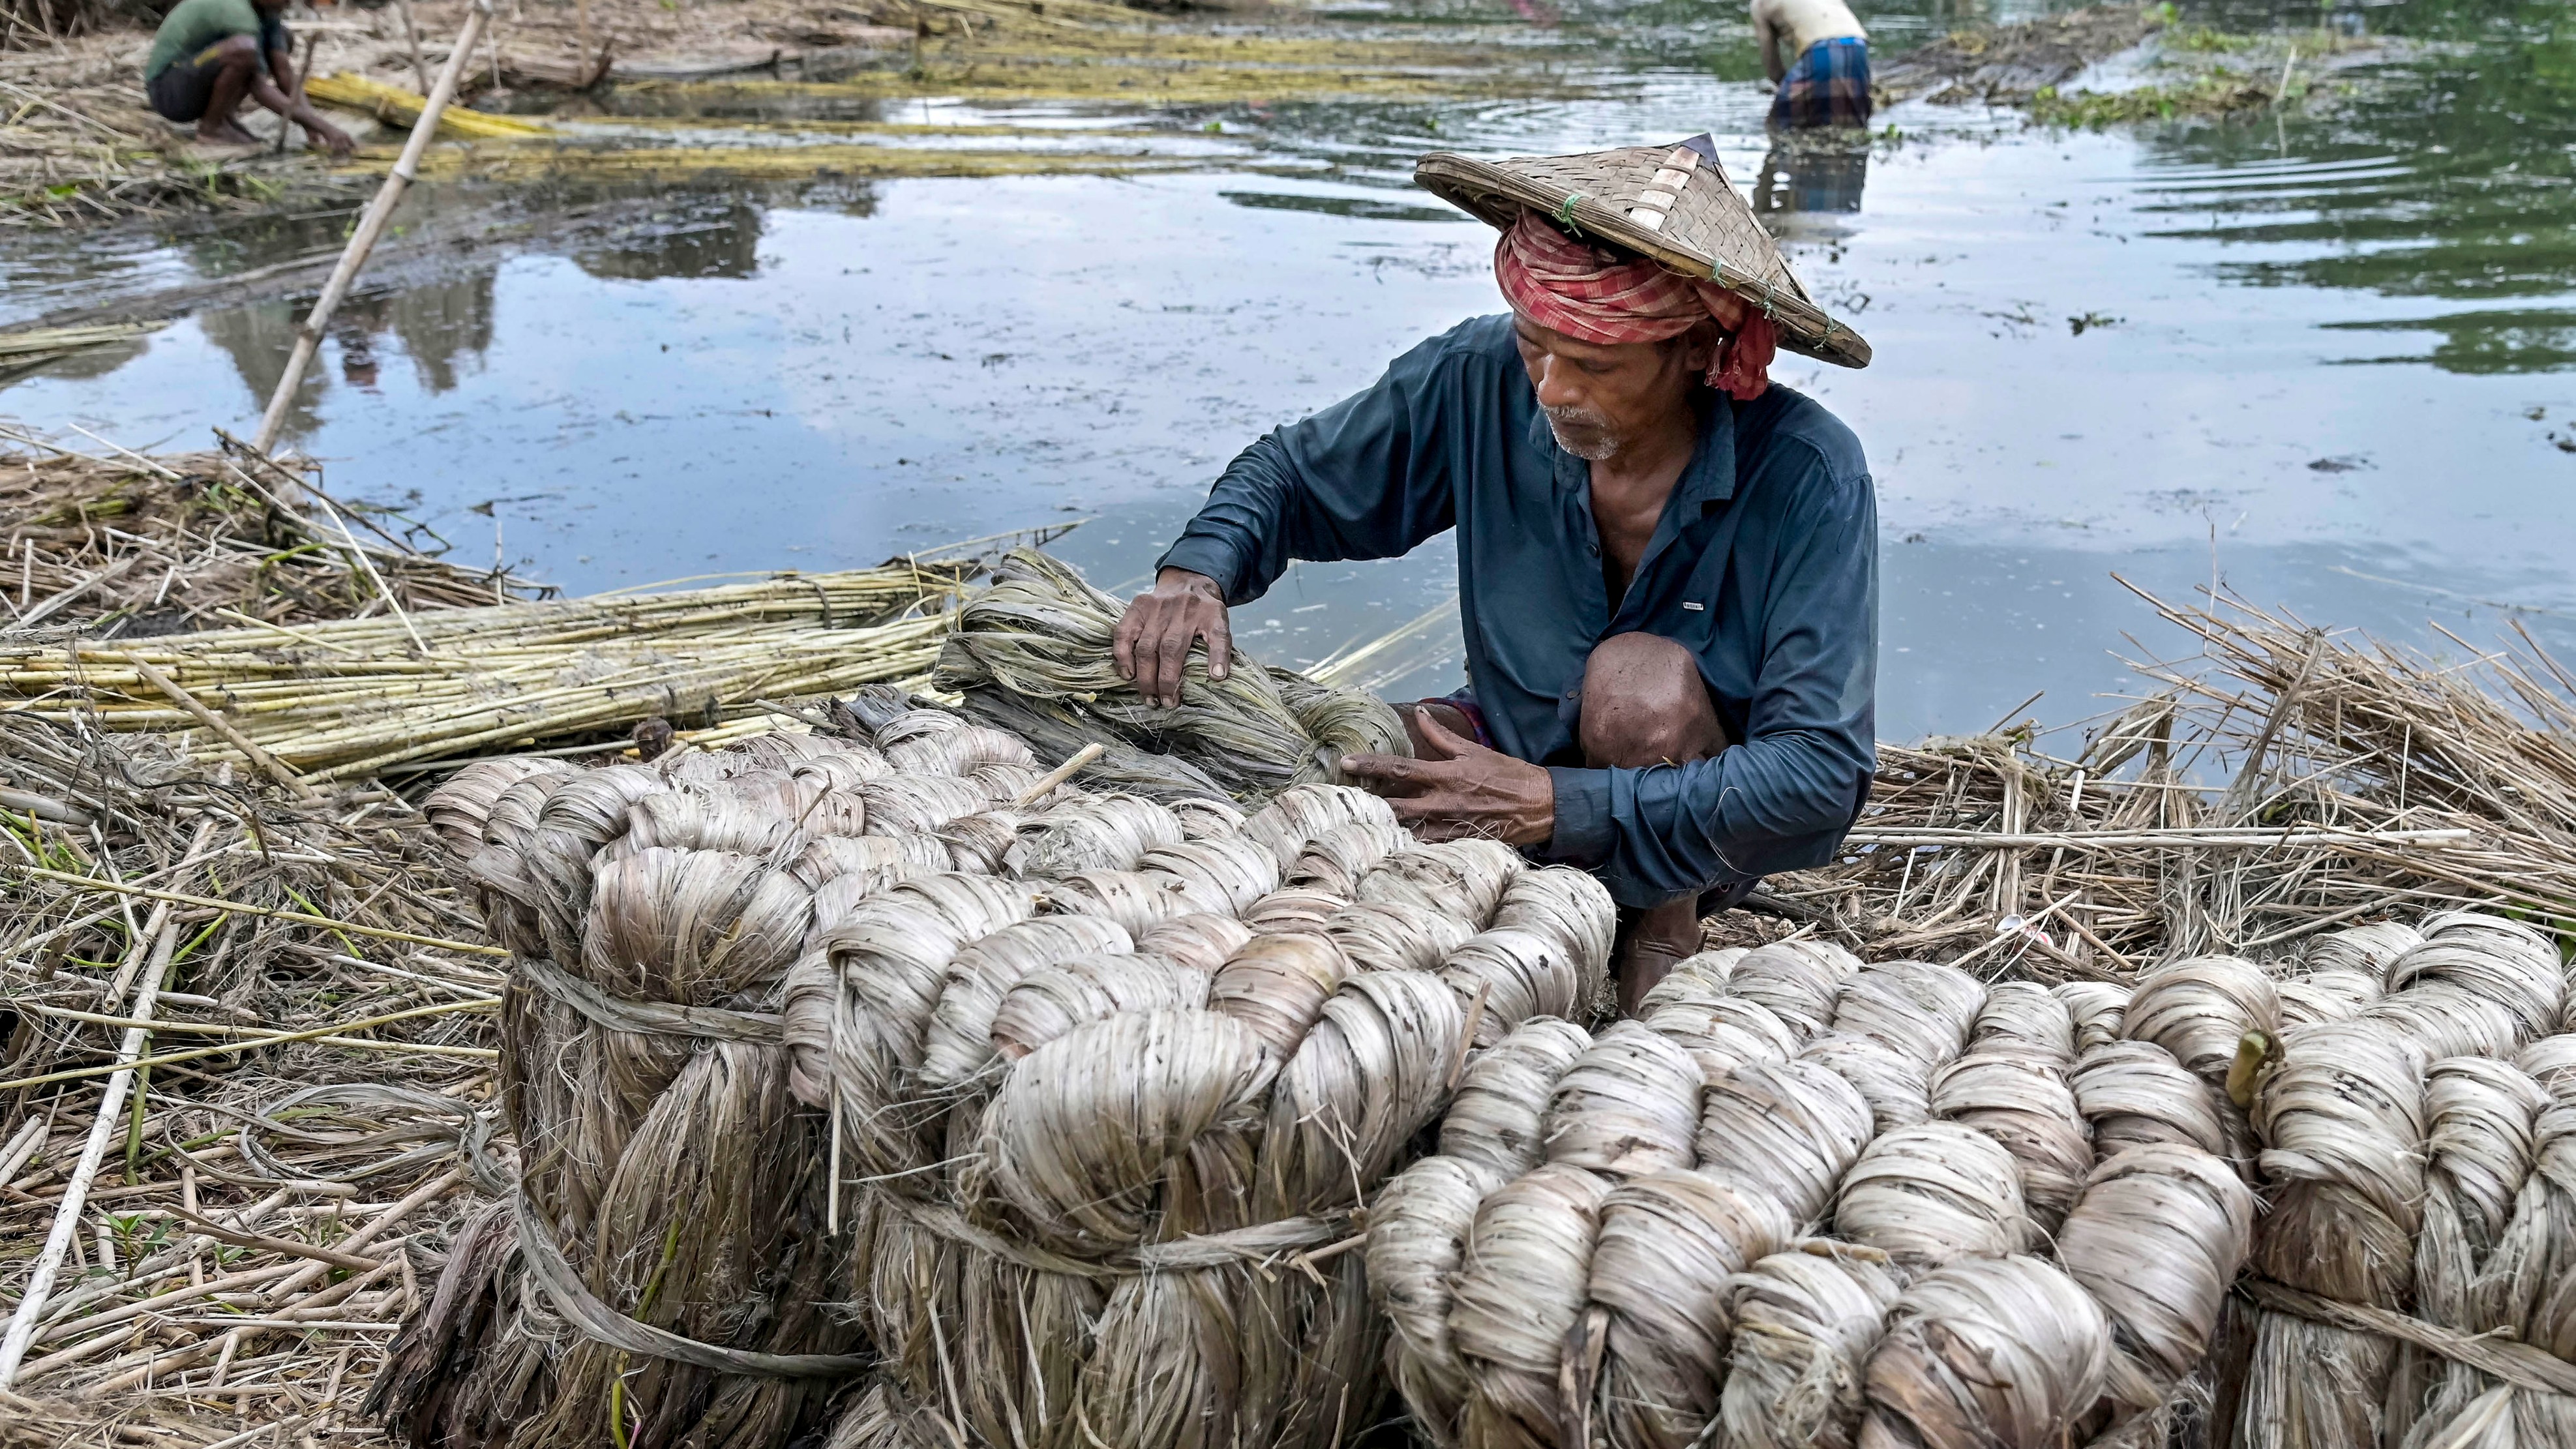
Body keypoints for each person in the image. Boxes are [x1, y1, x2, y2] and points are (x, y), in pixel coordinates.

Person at [1115, 139, 1878, 1013]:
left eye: (1593, 364)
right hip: (1504, 740)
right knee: (1338, 757)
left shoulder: (1807, 472)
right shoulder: (1477, 378)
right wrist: (1195, 572)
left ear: (1697, 349)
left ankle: (1657, 926)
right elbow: (1290, 473)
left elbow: (1819, 776)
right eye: (1533, 346)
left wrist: (1559, 803)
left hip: (1682, 817)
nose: (1550, 389)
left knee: (1636, 682)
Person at [144, 0, 353, 155]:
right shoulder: (238, 13)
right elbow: (259, 89)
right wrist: (325, 127)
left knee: (282, 37)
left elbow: (284, 74)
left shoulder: (268, 14)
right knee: (243, 50)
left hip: (194, 78)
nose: (289, 2)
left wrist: (312, 127)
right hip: (169, 90)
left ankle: (225, 118)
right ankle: (212, 128)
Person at [1752, 0, 1872, 130]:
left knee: (1778, 124)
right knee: (1852, 124)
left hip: (1822, 49)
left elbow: (1770, 56)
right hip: (1857, 45)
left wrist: (1782, 85)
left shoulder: (1759, 4)